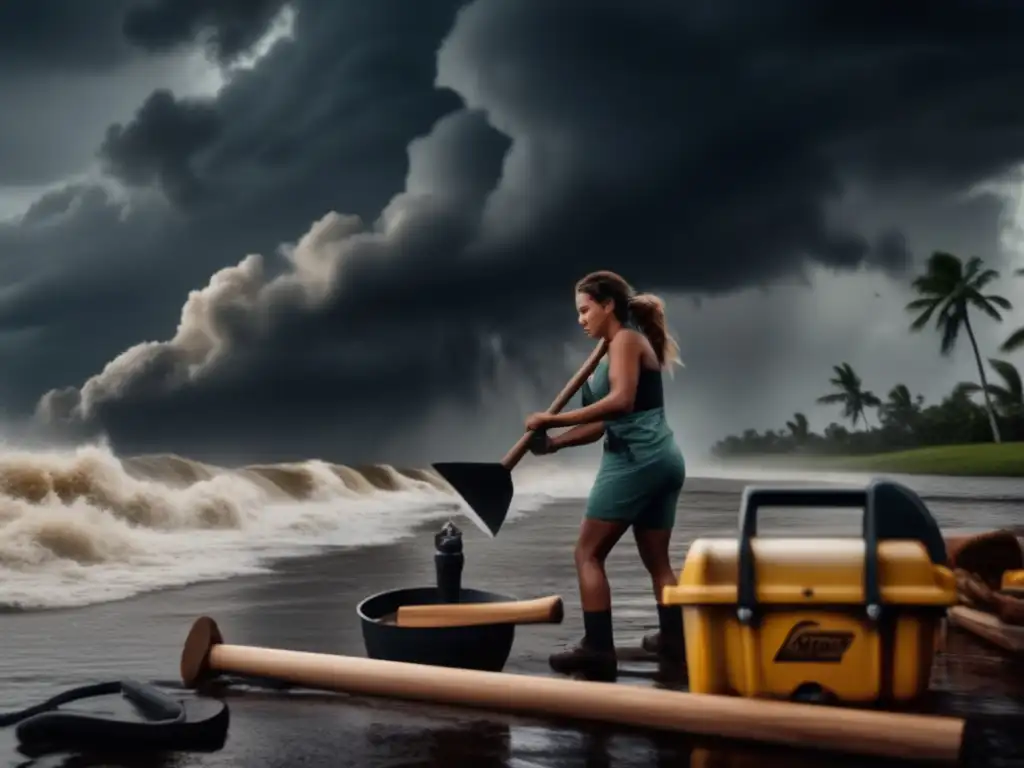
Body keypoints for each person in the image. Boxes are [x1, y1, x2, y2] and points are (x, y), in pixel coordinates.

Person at [524, 270, 686, 679]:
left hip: (637, 460)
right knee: (658, 561)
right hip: (660, 459)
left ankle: (598, 648)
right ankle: (675, 640)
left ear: (608, 304)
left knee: (587, 554)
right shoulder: (614, 347)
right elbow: (602, 424)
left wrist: (552, 416)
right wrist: (557, 440)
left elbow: (621, 402)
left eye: (585, 309)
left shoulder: (627, 341)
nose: (580, 319)